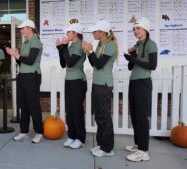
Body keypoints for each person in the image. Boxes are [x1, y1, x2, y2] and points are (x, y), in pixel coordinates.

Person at [82, 20, 118, 156]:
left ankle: (107, 148)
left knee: (104, 116)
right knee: (99, 116)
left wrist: (90, 51)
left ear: (102, 32)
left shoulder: (110, 45)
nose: (93, 33)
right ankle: (102, 144)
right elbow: (94, 64)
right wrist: (88, 52)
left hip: (104, 85)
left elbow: (100, 64)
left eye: (95, 31)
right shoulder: (100, 44)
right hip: (97, 84)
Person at [124, 17, 157, 162]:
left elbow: (152, 65)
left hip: (143, 83)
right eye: (134, 29)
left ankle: (144, 151)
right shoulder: (137, 44)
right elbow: (131, 67)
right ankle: (138, 145)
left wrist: (133, 59)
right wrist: (132, 57)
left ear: (146, 30)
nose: (135, 31)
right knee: (135, 115)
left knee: (142, 117)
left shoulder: (151, 44)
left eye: (138, 28)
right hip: (134, 82)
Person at [6, 19, 44, 144]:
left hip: (32, 77)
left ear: (29, 28)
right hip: (23, 76)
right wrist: (15, 56)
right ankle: (24, 131)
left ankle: (39, 132)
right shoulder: (26, 42)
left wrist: (17, 56)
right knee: (23, 105)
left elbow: (31, 60)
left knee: (33, 105)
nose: (21, 30)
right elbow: (22, 62)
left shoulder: (36, 42)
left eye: (23, 28)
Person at [55, 23, 87, 149]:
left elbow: (71, 63)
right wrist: (60, 50)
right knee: (69, 110)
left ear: (75, 33)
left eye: (69, 32)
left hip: (78, 81)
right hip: (68, 80)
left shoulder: (80, 45)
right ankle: (72, 136)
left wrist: (64, 47)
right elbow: (64, 64)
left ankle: (80, 138)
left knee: (77, 110)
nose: (67, 34)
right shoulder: (71, 45)